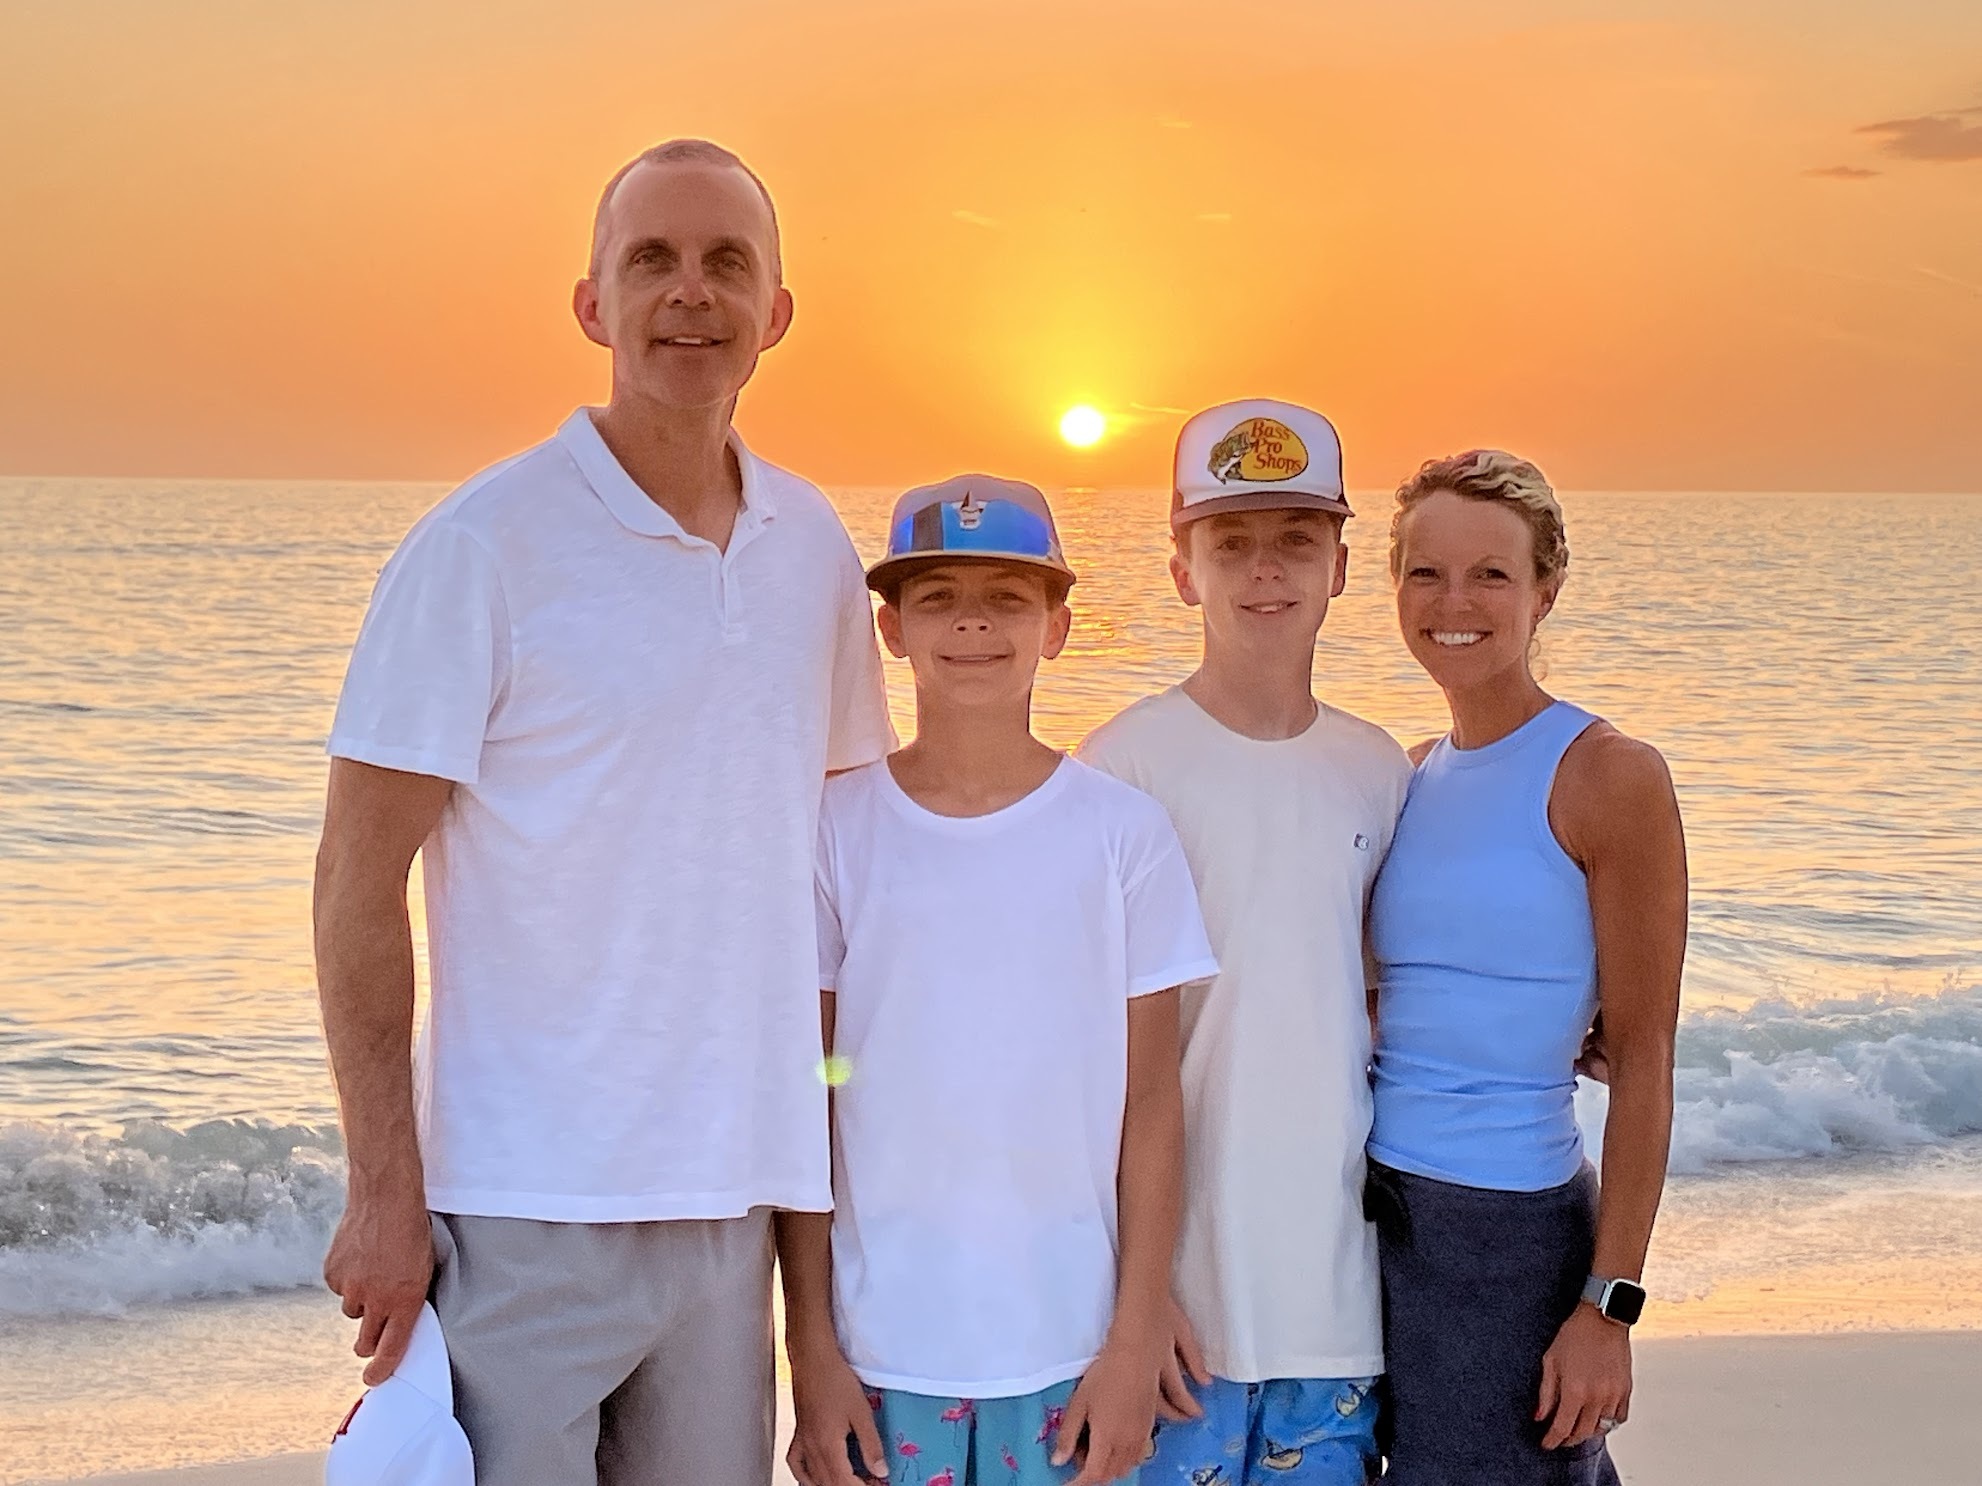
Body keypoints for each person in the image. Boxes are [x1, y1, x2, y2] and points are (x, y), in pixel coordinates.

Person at [312, 138, 893, 1486]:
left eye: (725, 262)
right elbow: (355, 876)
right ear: (592, 305)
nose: (691, 292)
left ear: (775, 313)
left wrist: (824, 1270)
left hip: (731, 1211)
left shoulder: (811, 549)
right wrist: (384, 1188)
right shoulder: (481, 546)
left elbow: (836, 891)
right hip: (521, 1205)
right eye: (652, 261)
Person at [780, 475, 1220, 1486]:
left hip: (1069, 1347)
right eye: (937, 597)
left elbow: (1152, 1104)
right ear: (891, 629)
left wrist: (1132, 1337)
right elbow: (810, 1095)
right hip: (881, 1349)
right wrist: (810, 1349)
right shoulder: (834, 829)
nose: (972, 622)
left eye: (1008, 598)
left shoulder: (1122, 833)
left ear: (1057, 627)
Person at [1079, 400, 1412, 1486]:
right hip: (1176, 1317)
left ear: (1340, 567)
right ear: (1182, 569)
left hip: (1333, 1309)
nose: (1265, 569)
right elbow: (1080, 1058)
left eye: (1297, 539)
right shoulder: (1122, 768)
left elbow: (1387, 991)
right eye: (1230, 543)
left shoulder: (1378, 771)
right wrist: (1132, 1299)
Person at [1365, 450, 1686, 1485]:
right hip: (1369, 1214)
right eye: (1425, 572)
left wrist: (1608, 1306)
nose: (1452, 603)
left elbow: (1644, 1060)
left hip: (1504, 1234)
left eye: (1490, 575)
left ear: (1544, 591)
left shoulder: (1607, 775)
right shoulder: (1407, 774)